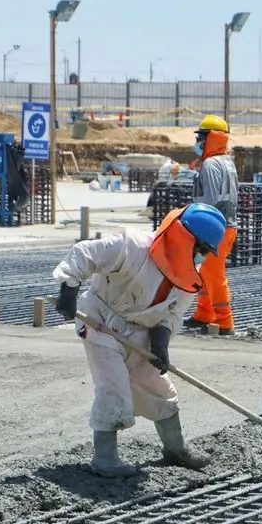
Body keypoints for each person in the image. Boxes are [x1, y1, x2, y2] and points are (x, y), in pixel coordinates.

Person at [53, 203, 228, 478]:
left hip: (140, 331)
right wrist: (69, 289)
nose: (201, 258)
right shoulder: (132, 247)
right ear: (184, 239)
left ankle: (176, 448)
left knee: (158, 388)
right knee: (114, 384)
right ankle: (105, 458)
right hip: (101, 321)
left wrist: (161, 339)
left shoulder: (187, 280)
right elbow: (83, 253)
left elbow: (173, 315)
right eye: (201, 250)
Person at [183, 115, 240, 336]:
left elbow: (210, 199)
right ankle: (204, 314)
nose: (198, 142)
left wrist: (197, 221)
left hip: (214, 227)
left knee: (214, 274)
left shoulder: (211, 164)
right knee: (206, 272)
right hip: (226, 226)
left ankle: (225, 321)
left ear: (212, 138)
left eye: (201, 137)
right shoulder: (227, 162)